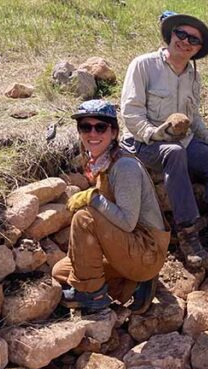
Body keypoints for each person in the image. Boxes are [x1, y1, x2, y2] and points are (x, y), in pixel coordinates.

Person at [119, 11, 208, 269]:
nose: (185, 41)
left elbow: (193, 116)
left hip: (181, 142)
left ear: (197, 49)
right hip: (143, 142)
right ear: (170, 35)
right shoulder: (143, 65)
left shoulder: (193, 76)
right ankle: (188, 235)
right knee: (174, 152)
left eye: (193, 40)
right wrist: (155, 133)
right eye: (181, 34)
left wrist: (207, 137)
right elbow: (130, 113)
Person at [52, 99, 170, 314]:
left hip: (146, 251)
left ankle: (93, 295)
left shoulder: (124, 166)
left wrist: (93, 198)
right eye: (85, 127)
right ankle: (132, 287)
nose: (92, 133)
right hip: (126, 246)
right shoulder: (102, 161)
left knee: (84, 218)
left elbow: (127, 222)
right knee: (60, 271)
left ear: (114, 132)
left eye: (100, 127)